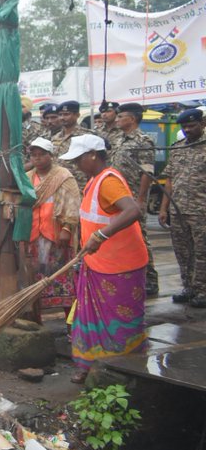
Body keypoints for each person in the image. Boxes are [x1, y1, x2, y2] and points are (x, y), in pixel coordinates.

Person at [61, 134, 148, 382]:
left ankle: (122, 368)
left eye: (79, 160)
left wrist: (101, 234)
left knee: (118, 319)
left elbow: (133, 210)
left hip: (120, 266)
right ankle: (89, 364)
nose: (77, 165)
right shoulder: (93, 180)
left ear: (92, 155)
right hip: (96, 263)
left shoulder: (109, 181)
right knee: (90, 317)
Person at [25, 138, 79, 319]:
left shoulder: (63, 176)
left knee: (64, 281)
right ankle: (37, 320)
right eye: (34, 155)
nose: (38, 158)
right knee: (34, 282)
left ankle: (71, 324)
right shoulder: (27, 178)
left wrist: (67, 229)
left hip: (56, 235)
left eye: (42, 155)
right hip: (33, 235)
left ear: (51, 156)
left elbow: (72, 204)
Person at [160, 107, 206, 308]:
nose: (188, 129)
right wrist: (164, 208)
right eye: (185, 126)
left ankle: (203, 290)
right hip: (178, 210)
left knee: (202, 253)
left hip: (201, 211)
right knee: (182, 251)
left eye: (192, 125)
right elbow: (169, 180)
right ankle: (189, 287)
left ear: (202, 125)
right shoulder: (177, 147)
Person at [110, 103, 158, 296]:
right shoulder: (117, 139)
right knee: (122, 238)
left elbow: (147, 173)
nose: (117, 119)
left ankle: (151, 280)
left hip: (133, 198)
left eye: (121, 116)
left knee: (140, 238)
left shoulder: (143, 141)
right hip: (118, 198)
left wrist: (140, 200)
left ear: (132, 118)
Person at [50, 101, 88, 192]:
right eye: (60, 115)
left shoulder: (86, 136)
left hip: (79, 185)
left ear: (77, 115)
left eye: (66, 114)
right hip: (58, 185)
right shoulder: (55, 137)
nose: (62, 118)